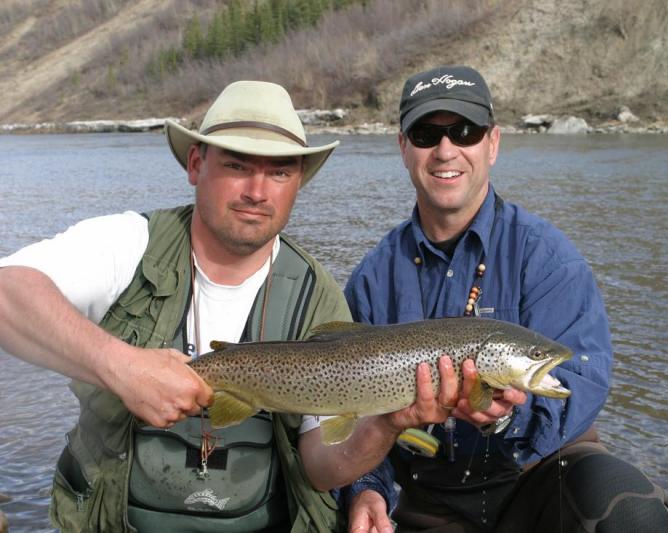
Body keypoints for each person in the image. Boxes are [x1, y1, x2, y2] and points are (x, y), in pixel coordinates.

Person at [0, 80, 463, 532]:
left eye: (279, 172)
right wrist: (121, 366)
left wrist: (387, 424)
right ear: (197, 164)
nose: (257, 192)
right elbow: (7, 292)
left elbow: (323, 470)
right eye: (239, 166)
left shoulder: (316, 293)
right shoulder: (127, 244)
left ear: (297, 182)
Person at [343, 66, 668, 532]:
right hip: (429, 497)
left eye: (465, 131)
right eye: (426, 134)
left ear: (493, 143)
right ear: (403, 148)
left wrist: (505, 421)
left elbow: (579, 381)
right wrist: (367, 489)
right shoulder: (370, 280)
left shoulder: (548, 259)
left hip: (541, 476)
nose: (446, 150)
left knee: (632, 513)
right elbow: (351, 413)